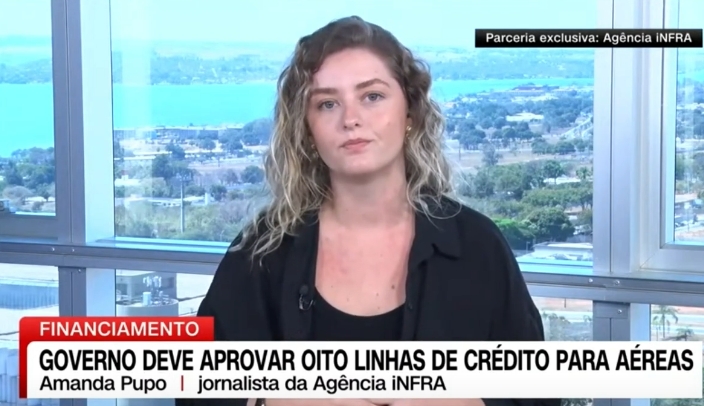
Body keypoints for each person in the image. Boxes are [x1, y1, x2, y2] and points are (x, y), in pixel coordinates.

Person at [176, 16, 560, 406]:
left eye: (372, 96)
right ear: (308, 130)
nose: (351, 119)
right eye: (327, 104)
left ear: (410, 113)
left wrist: (461, 402)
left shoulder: (477, 245)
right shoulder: (265, 249)